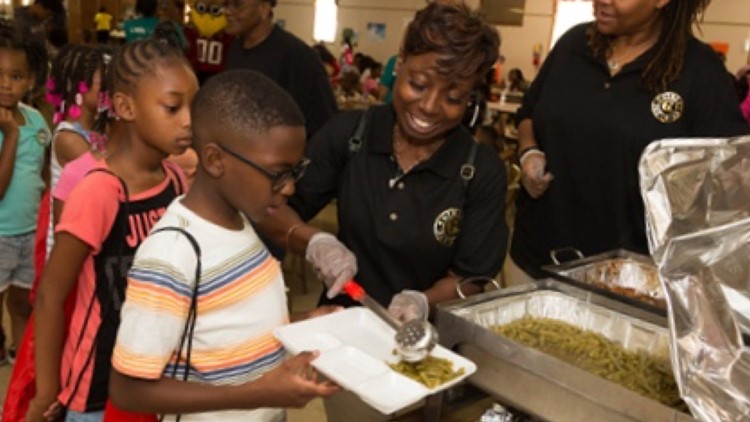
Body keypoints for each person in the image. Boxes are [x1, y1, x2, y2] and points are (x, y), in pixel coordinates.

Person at [107, 69, 339, 421]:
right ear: (215, 161)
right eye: (278, 173)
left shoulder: (243, 221)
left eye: (295, 171)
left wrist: (306, 322)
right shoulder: (173, 255)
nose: (290, 188)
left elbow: (227, 329)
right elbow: (128, 389)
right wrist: (258, 393)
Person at [509, 0, 750, 283]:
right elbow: (529, 112)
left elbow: (728, 178)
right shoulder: (573, 45)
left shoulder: (699, 71)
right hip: (536, 255)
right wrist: (529, 151)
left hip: (627, 277)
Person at [28, 38, 197, 422]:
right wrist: (46, 392)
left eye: (192, 106)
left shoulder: (174, 180)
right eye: (173, 107)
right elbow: (52, 295)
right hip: (96, 391)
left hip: (156, 377)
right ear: (124, 106)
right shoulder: (100, 190)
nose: (189, 120)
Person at [0, 24, 51, 366]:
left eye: (16, 75)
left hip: (30, 232)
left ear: (31, 80)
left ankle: (20, 358)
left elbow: (44, 172)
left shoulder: (35, 120)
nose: (6, 84)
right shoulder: (14, 129)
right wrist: (11, 137)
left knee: (23, 301)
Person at [224, 0, 337, 139]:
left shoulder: (298, 55)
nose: (227, 12)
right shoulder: (234, 50)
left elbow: (324, 122)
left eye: (236, 5)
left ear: (264, 7)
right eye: (225, 4)